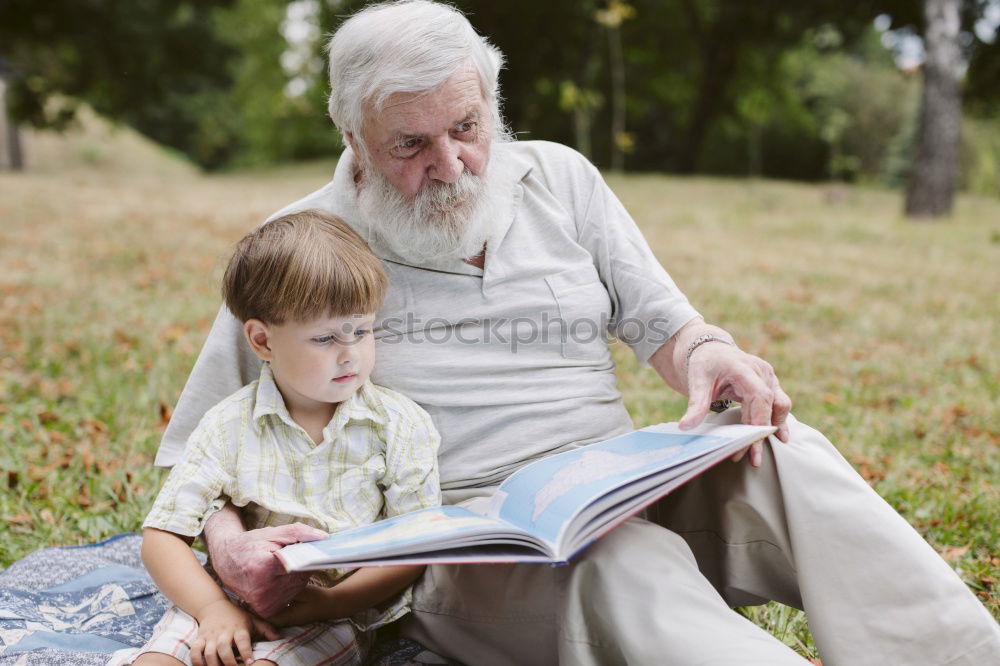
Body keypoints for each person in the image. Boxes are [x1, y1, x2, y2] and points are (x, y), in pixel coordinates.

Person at [157, 1, 1000, 664]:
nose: (450, 167)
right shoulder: (302, 247)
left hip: (612, 480)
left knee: (782, 450)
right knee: (622, 568)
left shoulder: (558, 177)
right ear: (353, 140)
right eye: (411, 144)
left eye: (466, 128)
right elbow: (200, 449)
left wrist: (714, 357)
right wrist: (232, 550)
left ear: (491, 103)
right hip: (465, 544)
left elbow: (668, 326)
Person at [118, 210, 441, 666]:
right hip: (225, 596)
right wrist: (212, 608)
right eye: (326, 337)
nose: (351, 354)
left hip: (328, 611)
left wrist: (336, 602)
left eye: (363, 330)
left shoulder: (398, 425)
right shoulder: (229, 423)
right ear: (263, 341)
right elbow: (161, 537)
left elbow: (415, 544)